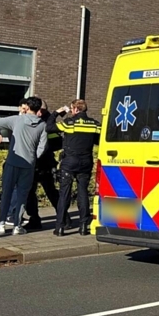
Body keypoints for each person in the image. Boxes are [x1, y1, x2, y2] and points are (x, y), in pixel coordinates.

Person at [0, 97, 48, 235]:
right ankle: (17, 225)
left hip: (13, 162)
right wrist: (33, 157)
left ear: (27, 107)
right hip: (29, 164)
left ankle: (1, 224)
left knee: (7, 193)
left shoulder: (17, 120)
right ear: (39, 109)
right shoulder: (43, 125)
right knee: (23, 195)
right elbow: (42, 146)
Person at [47, 99, 101, 236]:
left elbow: (49, 127)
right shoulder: (94, 124)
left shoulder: (69, 123)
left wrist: (56, 113)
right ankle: (83, 226)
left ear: (76, 109)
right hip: (86, 162)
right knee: (83, 193)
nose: (71, 111)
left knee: (64, 194)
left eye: (71, 109)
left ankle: (60, 227)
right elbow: (99, 140)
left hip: (69, 162)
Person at [22, 100, 62, 231]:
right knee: (32, 192)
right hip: (37, 163)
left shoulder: (46, 122)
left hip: (44, 163)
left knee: (49, 191)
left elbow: (58, 142)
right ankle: (35, 219)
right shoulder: (32, 119)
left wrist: (43, 147)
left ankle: (63, 217)